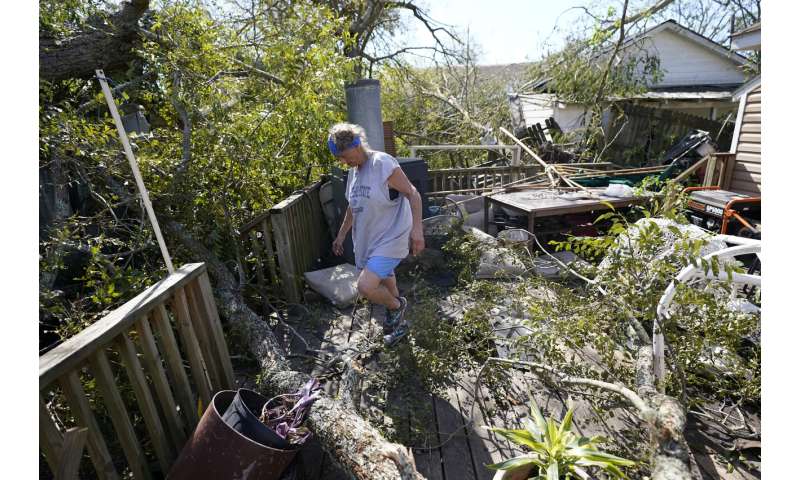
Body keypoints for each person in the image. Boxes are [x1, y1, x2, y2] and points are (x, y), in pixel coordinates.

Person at [328, 123, 425, 347]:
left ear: (356, 145)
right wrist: (341, 235)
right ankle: (401, 326)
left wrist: (417, 230)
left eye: (344, 156)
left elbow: (413, 194)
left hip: (391, 238)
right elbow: (352, 208)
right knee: (386, 279)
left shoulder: (382, 163)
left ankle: (396, 307)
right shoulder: (353, 174)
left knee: (365, 287)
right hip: (368, 241)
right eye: (339, 159)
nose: (343, 162)